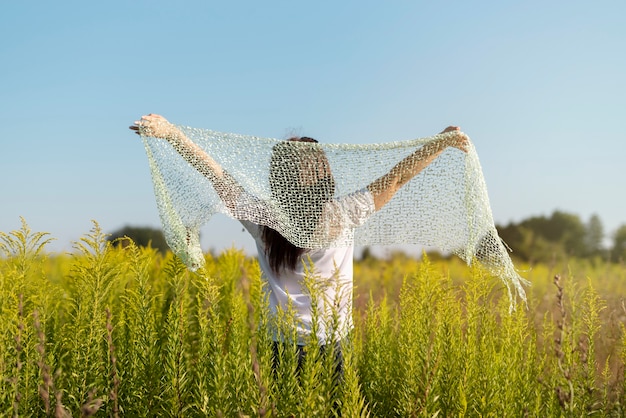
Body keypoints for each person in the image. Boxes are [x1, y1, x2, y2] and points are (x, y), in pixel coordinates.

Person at [130, 114, 469, 376]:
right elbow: (397, 177)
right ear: (324, 177)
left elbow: (217, 175)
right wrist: (439, 144)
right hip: (335, 343)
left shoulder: (263, 220)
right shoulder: (342, 215)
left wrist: (173, 134)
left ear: (278, 181)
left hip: (281, 346)